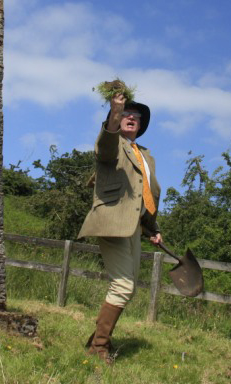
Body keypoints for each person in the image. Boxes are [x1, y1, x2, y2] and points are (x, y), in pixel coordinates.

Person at [78, 92, 162, 363]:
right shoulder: (113, 144)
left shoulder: (146, 155)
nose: (131, 118)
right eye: (126, 114)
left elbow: (147, 194)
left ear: (141, 125)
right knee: (123, 286)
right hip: (112, 221)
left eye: (136, 116)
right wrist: (115, 113)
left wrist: (152, 228)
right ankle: (99, 347)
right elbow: (104, 147)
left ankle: (96, 339)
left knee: (129, 287)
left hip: (135, 227)